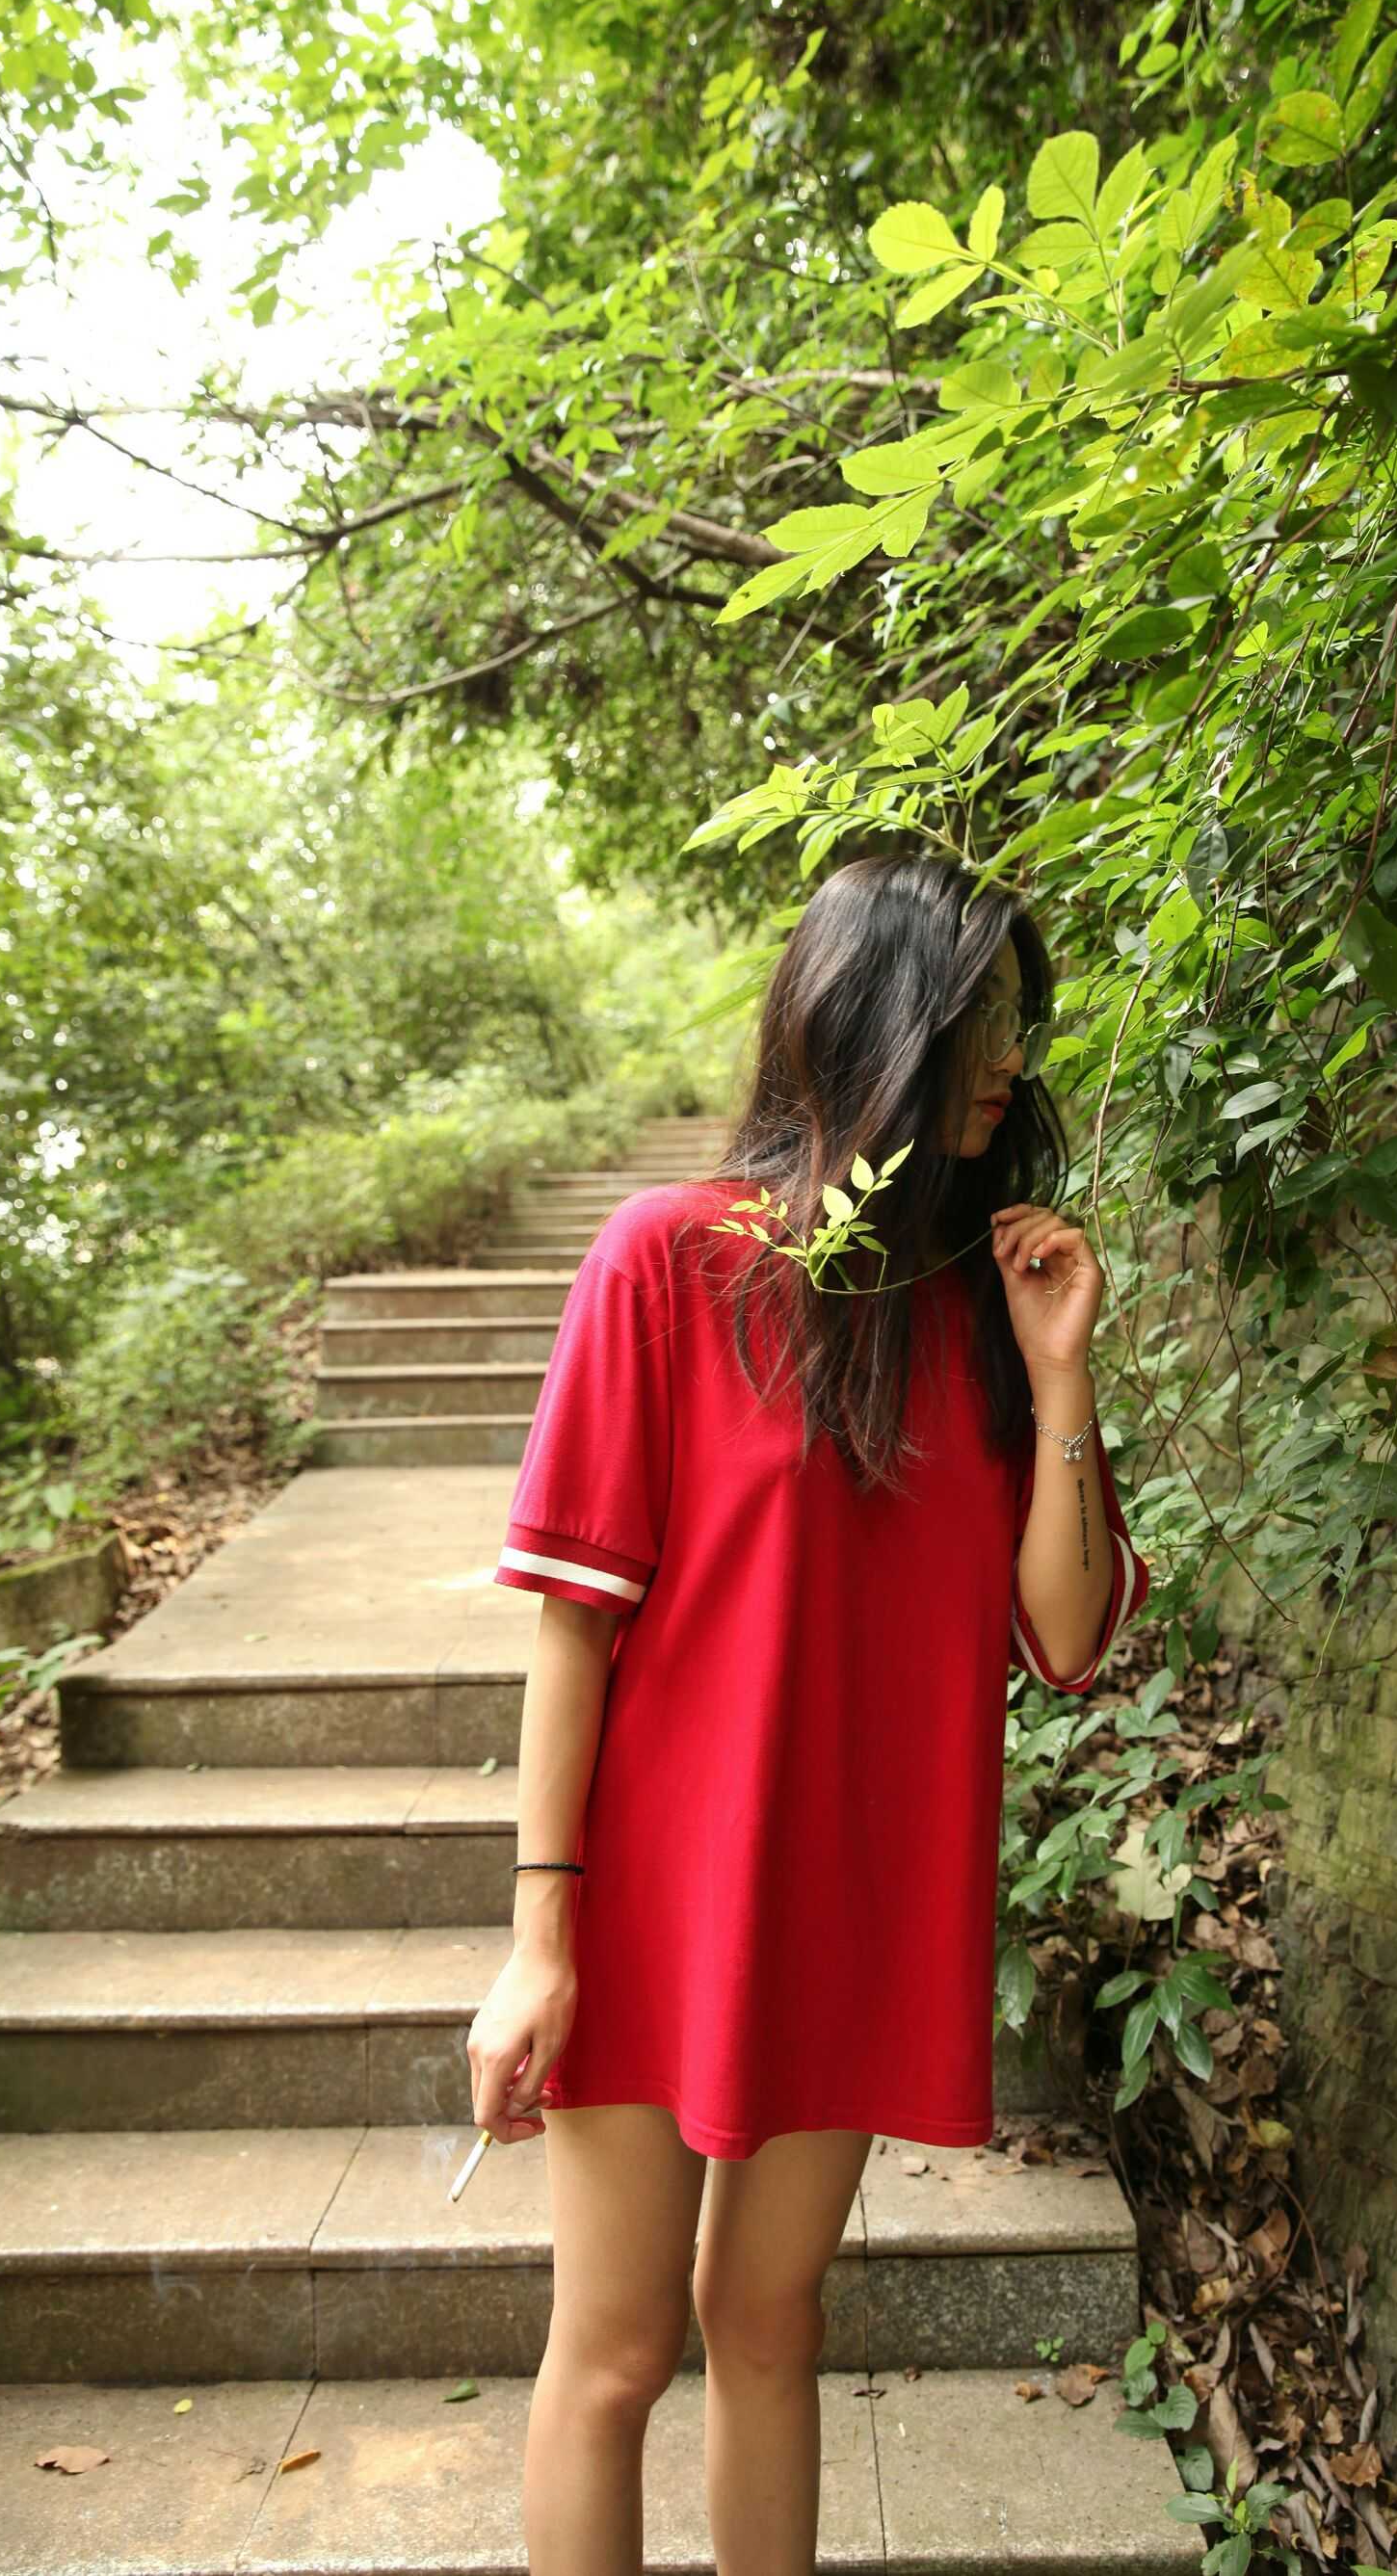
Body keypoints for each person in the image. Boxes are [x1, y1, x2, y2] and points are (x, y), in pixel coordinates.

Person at [468, 849, 1150, 2575]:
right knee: (617, 2351)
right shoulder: (671, 1260)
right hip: (651, 1895)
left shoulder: (984, 1302)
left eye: (1020, 1022)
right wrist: (539, 1938)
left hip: (851, 1901)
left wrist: (1061, 1371)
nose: (1011, 1058)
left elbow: (1068, 1634)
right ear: (877, 1020)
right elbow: (574, 1628)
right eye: (980, 1020)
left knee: (771, 2323)